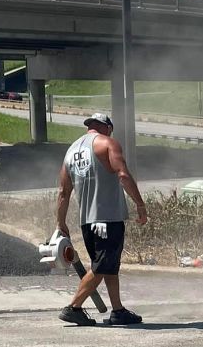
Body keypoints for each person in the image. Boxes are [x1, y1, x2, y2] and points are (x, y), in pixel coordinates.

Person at [56, 112, 148, 326]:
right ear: (107, 127)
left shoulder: (71, 151)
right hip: (108, 218)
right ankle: (74, 308)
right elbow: (123, 175)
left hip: (87, 221)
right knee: (102, 266)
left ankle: (118, 310)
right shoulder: (107, 143)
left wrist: (61, 222)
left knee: (108, 264)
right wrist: (140, 205)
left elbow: (63, 192)